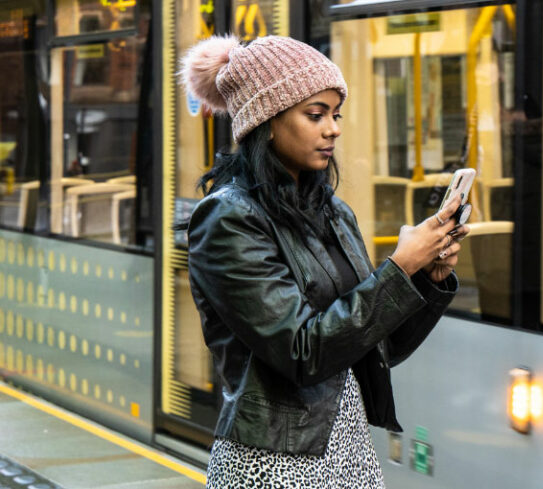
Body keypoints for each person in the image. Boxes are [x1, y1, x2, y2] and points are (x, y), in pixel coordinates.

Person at [180, 35, 466, 488]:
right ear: (267, 120)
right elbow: (302, 353)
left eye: (336, 114)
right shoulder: (227, 219)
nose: (332, 128)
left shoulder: (333, 212)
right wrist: (396, 270)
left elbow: (376, 345)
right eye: (315, 115)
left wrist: (426, 277)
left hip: (347, 452)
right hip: (273, 463)